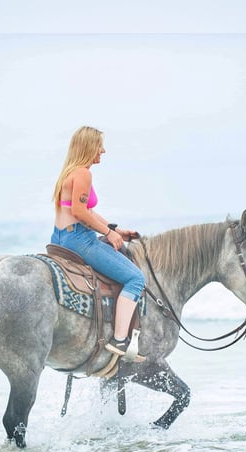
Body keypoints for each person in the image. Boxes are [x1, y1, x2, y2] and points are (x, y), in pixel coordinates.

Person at [50, 126, 145, 359]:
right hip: (79, 240)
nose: (103, 150)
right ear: (89, 146)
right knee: (135, 278)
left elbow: (88, 211)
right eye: (99, 145)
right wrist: (108, 234)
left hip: (60, 238)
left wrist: (117, 231)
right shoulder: (83, 173)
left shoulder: (68, 173)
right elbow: (81, 212)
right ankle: (120, 340)